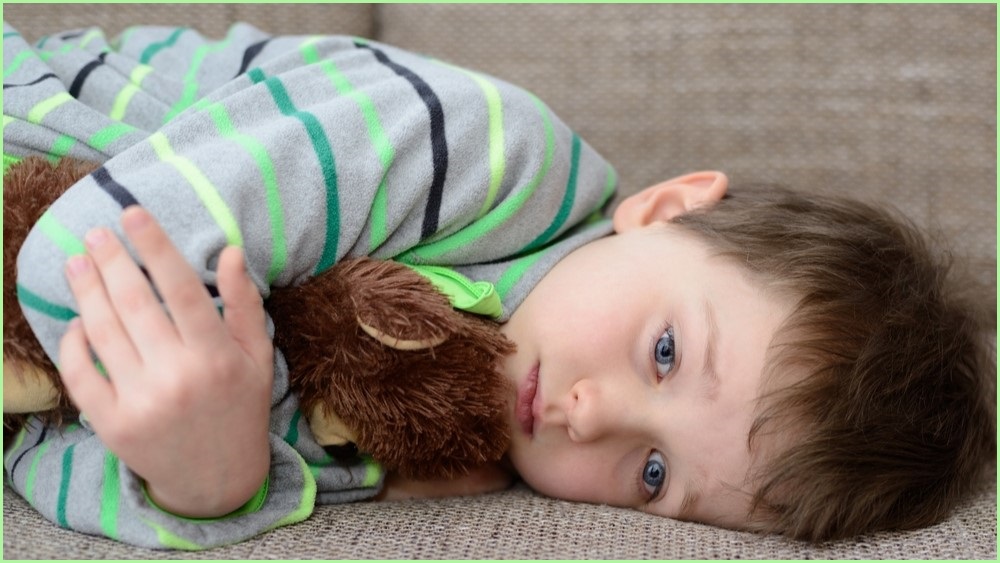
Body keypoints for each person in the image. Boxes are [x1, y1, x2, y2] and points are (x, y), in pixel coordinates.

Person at [3, 22, 994, 549]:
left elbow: (38, 444)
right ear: (667, 208)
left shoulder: (433, 440)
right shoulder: (491, 154)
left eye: (652, 474)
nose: (589, 414)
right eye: (664, 352)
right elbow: (76, 256)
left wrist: (203, 484)